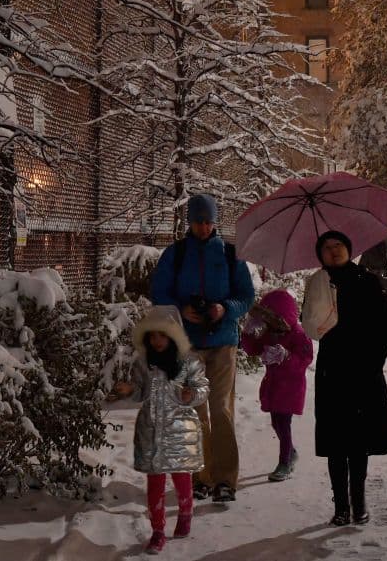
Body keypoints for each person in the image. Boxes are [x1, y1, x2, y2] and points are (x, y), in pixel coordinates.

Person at [150, 193, 255, 504]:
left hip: (223, 342)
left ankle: (225, 479)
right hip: (188, 344)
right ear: (189, 221)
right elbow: (159, 292)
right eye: (199, 221)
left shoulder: (230, 254)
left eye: (209, 221)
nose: (204, 227)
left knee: (221, 409)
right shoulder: (176, 254)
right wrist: (181, 310)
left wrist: (225, 309)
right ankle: (200, 477)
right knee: (195, 411)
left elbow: (246, 296)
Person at [310, 230, 387, 527]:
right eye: (327, 247)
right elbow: (310, 325)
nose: (333, 251)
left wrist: (374, 363)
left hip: (363, 369)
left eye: (338, 246)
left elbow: (384, 328)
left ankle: (358, 502)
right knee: (336, 441)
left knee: (358, 441)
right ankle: (341, 506)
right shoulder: (319, 283)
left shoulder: (367, 281)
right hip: (332, 369)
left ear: (349, 248)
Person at [113, 306, 209, 555]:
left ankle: (186, 512)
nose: (157, 341)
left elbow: (202, 387)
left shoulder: (189, 362)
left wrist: (193, 394)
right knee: (155, 480)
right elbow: (140, 391)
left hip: (180, 430)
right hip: (151, 429)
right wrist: (129, 390)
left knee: (181, 477)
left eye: (162, 335)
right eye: (153, 335)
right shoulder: (143, 363)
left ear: (174, 335)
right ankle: (157, 530)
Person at [239, 289, 314, 482]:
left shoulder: (298, 333)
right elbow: (253, 350)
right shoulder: (268, 333)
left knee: (284, 423)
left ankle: (285, 462)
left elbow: (305, 358)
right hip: (273, 385)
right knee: (276, 423)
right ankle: (290, 451)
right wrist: (248, 334)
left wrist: (286, 356)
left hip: (291, 387)